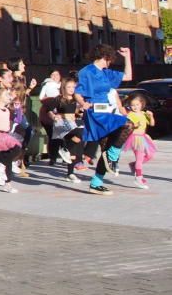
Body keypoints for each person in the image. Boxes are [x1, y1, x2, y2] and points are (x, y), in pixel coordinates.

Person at [74, 45, 134, 196]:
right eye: (111, 59)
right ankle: (113, 156)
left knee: (106, 148)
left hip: (107, 110)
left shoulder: (106, 73)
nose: (111, 62)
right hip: (96, 112)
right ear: (105, 56)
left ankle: (96, 183)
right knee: (127, 124)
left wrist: (127, 57)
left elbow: (128, 76)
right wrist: (83, 103)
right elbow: (77, 92)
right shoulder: (86, 71)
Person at [49, 78, 85, 184]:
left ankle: (70, 173)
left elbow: (79, 112)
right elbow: (49, 110)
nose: (71, 89)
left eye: (73, 87)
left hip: (72, 124)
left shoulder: (76, 99)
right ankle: (63, 148)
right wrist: (54, 116)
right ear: (63, 87)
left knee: (73, 148)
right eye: (69, 87)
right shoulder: (59, 99)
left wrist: (81, 111)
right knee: (79, 132)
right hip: (62, 124)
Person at [122, 92, 155, 189]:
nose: (135, 107)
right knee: (140, 158)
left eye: (137, 105)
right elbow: (127, 125)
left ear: (142, 104)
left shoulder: (144, 113)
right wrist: (134, 125)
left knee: (150, 155)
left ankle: (134, 165)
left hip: (143, 137)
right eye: (132, 105)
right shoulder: (130, 115)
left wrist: (151, 116)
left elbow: (152, 124)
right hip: (135, 138)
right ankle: (138, 178)